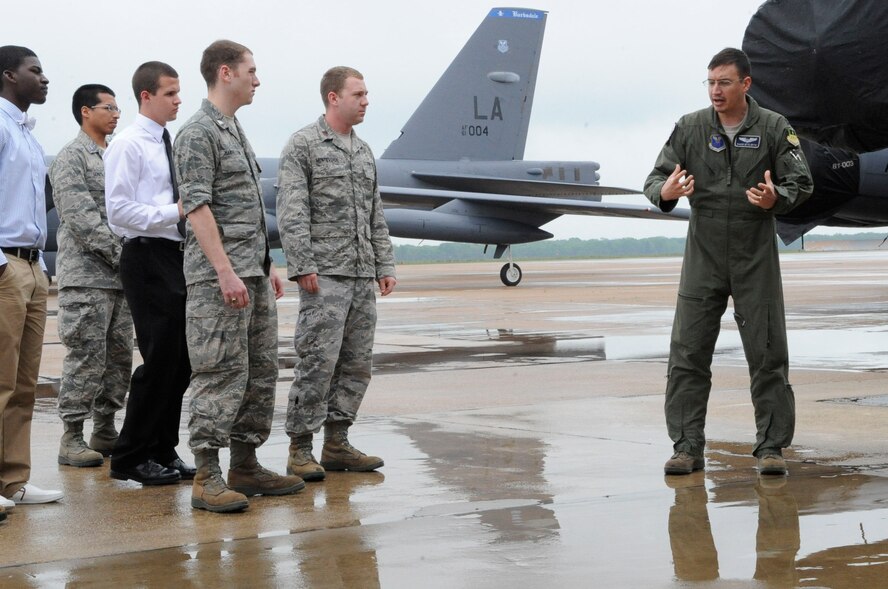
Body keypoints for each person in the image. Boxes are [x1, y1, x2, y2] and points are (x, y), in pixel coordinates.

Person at [643, 48, 813, 477]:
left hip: (754, 251)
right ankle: (686, 447)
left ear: (746, 84)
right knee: (687, 352)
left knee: (768, 352)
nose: (716, 91)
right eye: (711, 82)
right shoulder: (690, 127)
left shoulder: (775, 128)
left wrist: (778, 198)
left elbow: (801, 181)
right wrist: (665, 193)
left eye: (724, 83)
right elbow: (655, 179)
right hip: (703, 252)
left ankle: (771, 448)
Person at [174, 40, 303, 513]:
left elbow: (246, 209)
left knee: (259, 371)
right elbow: (198, 207)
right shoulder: (198, 133)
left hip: (252, 274)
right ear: (225, 73)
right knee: (219, 372)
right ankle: (207, 474)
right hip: (218, 280)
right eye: (252, 70)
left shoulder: (234, 129)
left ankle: (245, 464)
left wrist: (265, 267)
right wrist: (225, 271)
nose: (257, 79)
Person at [278, 66, 396, 482]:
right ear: (333, 97)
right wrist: (303, 265)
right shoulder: (304, 145)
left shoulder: (363, 151)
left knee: (356, 364)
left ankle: (337, 442)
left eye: (367, 94)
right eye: (359, 94)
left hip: (362, 274)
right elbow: (293, 210)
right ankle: (299, 449)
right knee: (317, 362)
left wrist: (384, 264)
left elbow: (374, 213)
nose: (366, 101)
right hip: (324, 275)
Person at [104, 61, 193, 485]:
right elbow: (118, 210)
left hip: (173, 254)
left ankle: (162, 447)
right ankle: (129, 454)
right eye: (170, 93)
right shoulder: (129, 145)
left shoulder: (165, 141)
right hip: (145, 255)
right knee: (159, 358)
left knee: (181, 361)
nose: (178, 101)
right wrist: (173, 212)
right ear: (146, 96)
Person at [49, 84, 133, 468]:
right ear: (86, 111)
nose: (117, 114)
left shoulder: (117, 155)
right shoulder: (71, 158)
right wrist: (125, 256)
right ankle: (71, 435)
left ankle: (105, 428)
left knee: (118, 357)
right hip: (87, 278)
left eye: (118, 108)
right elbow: (82, 218)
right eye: (109, 107)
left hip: (120, 281)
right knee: (86, 356)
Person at [0, 45, 64, 509]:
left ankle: (12, 481)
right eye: (35, 71)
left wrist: (37, 266)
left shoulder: (27, 134)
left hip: (32, 266)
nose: (44, 79)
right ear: (8, 76)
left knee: (24, 383)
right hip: (5, 264)